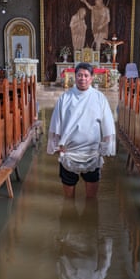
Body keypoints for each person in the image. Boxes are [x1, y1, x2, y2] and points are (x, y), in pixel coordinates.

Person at [47, 62, 116, 199]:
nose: (82, 78)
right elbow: (57, 121)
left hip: (92, 152)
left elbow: (107, 124)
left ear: (91, 78)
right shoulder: (65, 97)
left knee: (91, 198)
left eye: (86, 75)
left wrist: (106, 146)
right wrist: (57, 144)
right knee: (68, 198)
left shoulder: (99, 98)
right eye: (79, 75)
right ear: (75, 77)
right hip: (69, 151)